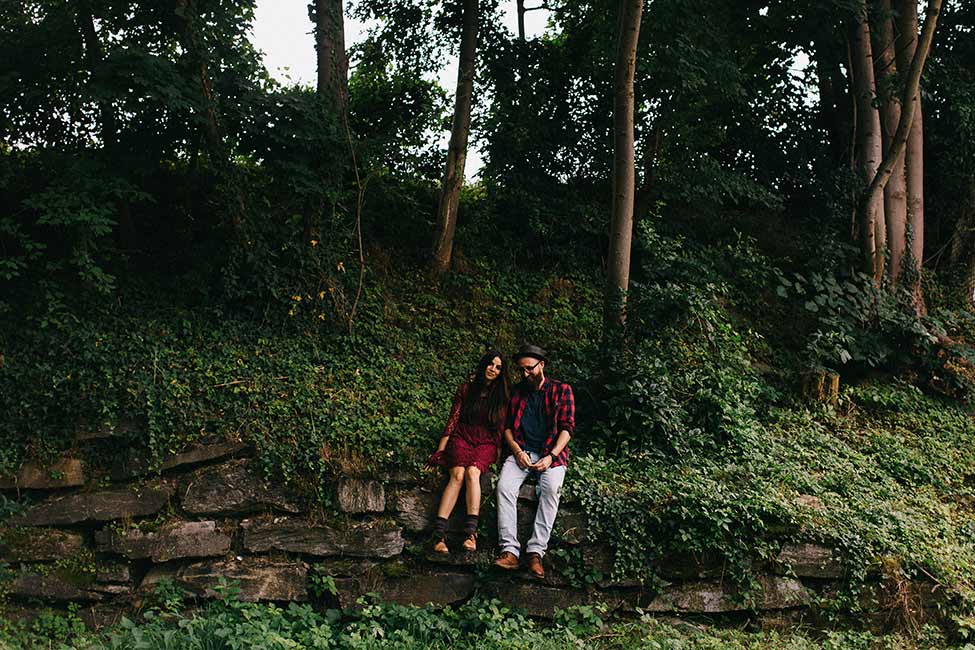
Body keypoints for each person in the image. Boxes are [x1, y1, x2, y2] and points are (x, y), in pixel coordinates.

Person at [493, 344, 574, 579]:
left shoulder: (562, 390)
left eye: (529, 369)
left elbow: (567, 429)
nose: (525, 374)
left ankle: (535, 552)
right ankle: (509, 551)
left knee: (550, 490)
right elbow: (507, 428)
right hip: (522, 450)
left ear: (542, 366)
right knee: (504, 487)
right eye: (522, 370)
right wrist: (517, 452)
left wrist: (551, 456)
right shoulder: (516, 392)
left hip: (552, 452)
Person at [426, 350, 510, 553]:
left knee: (473, 473)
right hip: (462, 436)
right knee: (457, 474)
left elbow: (500, 429)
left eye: (498, 367)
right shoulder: (467, 388)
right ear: (484, 365)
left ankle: (471, 534)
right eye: (491, 364)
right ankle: (438, 535)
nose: (493, 369)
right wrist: (441, 450)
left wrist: (498, 454)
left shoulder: (501, 395)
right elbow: (453, 420)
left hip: (485, 442)